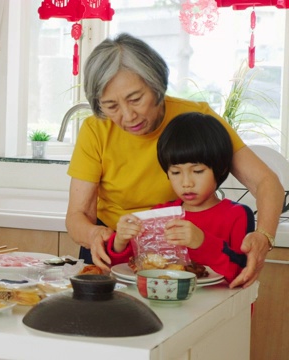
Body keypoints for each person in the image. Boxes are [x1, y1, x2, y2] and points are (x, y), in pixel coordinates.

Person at [65, 32, 283, 288]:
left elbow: (266, 182)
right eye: (111, 106)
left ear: (156, 85)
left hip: (184, 251)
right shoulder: (95, 130)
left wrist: (264, 236)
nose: (127, 116)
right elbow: (77, 215)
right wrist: (96, 235)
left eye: (136, 99)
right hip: (117, 249)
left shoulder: (195, 119)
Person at [107, 112, 253, 283]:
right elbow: (125, 270)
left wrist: (203, 242)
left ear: (220, 168)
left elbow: (243, 274)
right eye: (175, 172)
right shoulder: (160, 215)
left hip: (222, 308)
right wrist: (120, 241)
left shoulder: (237, 215)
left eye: (197, 171)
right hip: (165, 306)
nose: (186, 183)